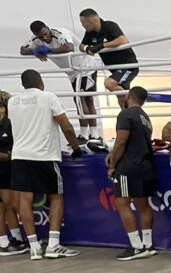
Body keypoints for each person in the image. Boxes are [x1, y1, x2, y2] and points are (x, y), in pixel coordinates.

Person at [8, 70, 83, 259]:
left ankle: (34, 247)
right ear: (41, 83)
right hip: (44, 156)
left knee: (25, 200)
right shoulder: (48, 97)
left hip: (19, 156)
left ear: (23, 84)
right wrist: (76, 148)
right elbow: (66, 126)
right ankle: (54, 245)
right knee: (56, 197)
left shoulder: (12, 101)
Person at [20, 21, 99, 140]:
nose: (45, 38)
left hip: (84, 66)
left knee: (80, 98)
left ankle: (87, 135)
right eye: (41, 37)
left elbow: (69, 47)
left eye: (45, 34)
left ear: (48, 28)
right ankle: (93, 135)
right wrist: (36, 51)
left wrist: (46, 51)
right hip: (73, 72)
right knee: (86, 99)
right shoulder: (35, 39)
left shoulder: (60, 33)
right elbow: (22, 50)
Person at [106, 86, 157, 260]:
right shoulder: (145, 118)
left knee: (122, 203)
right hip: (145, 165)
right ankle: (148, 245)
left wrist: (113, 164)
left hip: (129, 167)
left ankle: (136, 246)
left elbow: (121, 142)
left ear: (129, 97)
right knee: (143, 205)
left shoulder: (125, 114)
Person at [79, 9, 139, 108]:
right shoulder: (90, 32)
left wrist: (102, 45)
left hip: (128, 66)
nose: (83, 26)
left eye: (84, 23)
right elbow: (81, 45)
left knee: (109, 83)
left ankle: (135, 99)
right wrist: (87, 48)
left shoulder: (110, 26)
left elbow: (123, 40)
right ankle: (127, 116)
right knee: (121, 98)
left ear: (92, 22)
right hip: (115, 69)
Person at [0, 92, 28, 256]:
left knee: (10, 205)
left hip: (8, 169)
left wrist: (7, 156)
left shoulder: (11, 124)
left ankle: (16, 239)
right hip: (3, 171)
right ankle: (3, 243)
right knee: (5, 205)